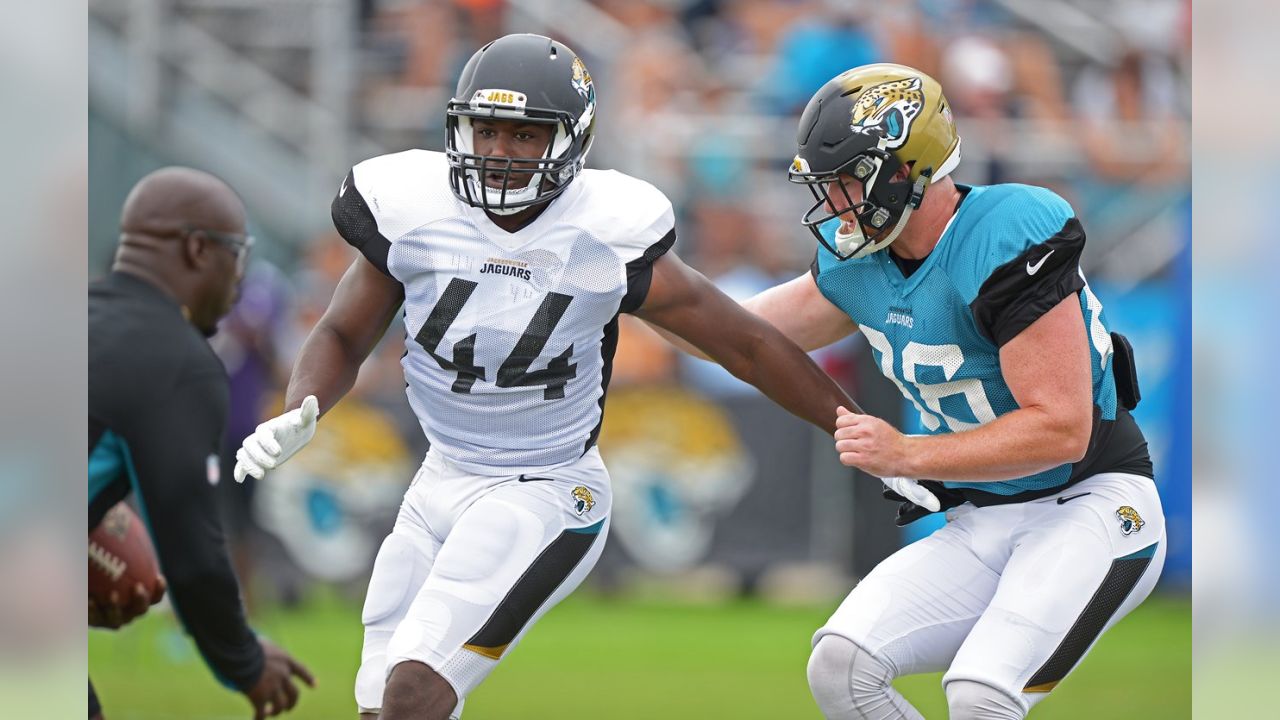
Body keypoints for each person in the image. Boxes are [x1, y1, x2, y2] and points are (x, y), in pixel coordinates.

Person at [232, 34, 858, 720]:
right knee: (383, 704)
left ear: (571, 143)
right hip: (439, 481)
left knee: (413, 690)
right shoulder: (413, 210)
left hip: (548, 490)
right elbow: (344, 330)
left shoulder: (601, 233)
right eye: (487, 129)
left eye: (525, 135)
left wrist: (857, 430)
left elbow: (746, 344)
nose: (499, 150)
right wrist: (302, 406)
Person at [726, 63, 1164, 719]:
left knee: (981, 694)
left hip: (1091, 503)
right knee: (842, 666)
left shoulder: (1004, 231)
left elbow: (1062, 429)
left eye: (849, 179)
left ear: (907, 168)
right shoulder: (862, 263)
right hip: (980, 520)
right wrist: (642, 294)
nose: (837, 201)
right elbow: (739, 335)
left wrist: (905, 455)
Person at [89, 167, 315, 720]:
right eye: (235, 254)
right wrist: (244, 661)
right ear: (196, 250)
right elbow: (190, 554)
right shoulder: (177, 363)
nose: (239, 280)